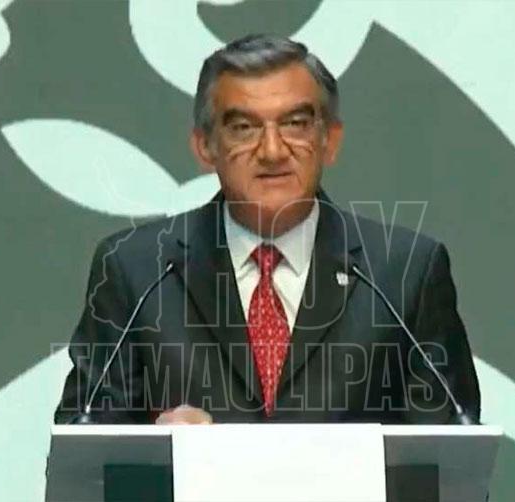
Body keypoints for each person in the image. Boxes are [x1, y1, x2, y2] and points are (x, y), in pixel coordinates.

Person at [54, 34, 480, 425]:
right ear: (205, 147)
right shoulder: (136, 271)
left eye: (295, 124)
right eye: (244, 128)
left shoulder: (404, 273)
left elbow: (452, 450)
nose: (273, 151)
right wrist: (154, 450)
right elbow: (84, 443)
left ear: (330, 140)